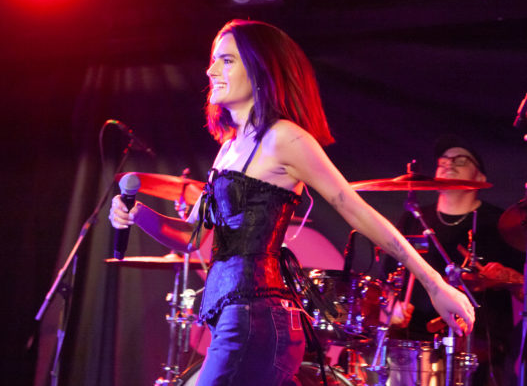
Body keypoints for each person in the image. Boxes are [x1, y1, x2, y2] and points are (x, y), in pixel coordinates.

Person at [108, 20, 475, 386]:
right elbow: (191, 238)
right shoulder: (229, 148)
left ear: (261, 72)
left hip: (255, 320)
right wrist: (137, 214)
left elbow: (355, 209)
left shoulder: (284, 138)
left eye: (227, 60)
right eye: (213, 60)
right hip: (233, 318)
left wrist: (433, 283)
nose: (211, 70)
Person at [389, 134, 524, 386]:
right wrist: (392, 308)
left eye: (461, 160)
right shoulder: (413, 219)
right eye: (443, 161)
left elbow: (524, 290)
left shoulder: (504, 225)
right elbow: (387, 284)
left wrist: (509, 277)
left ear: (480, 178)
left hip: (480, 352)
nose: (449, 164)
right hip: (414, 345)